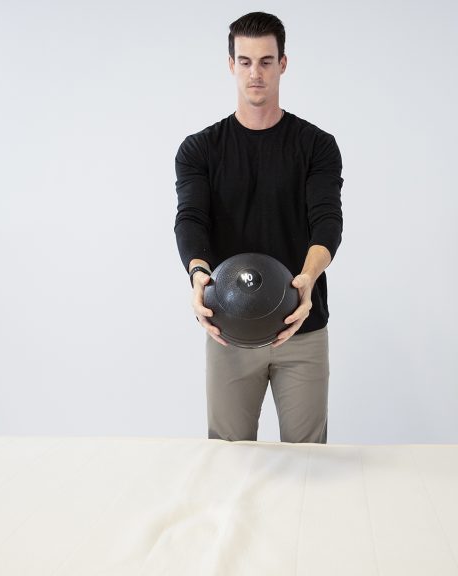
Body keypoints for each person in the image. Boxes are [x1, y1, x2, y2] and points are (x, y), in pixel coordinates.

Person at [174, 12, 344, 444]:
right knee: (228, 463)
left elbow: (327, 220)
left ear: (283, 63)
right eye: (246, 61)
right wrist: (197, 274)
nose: (256, 73)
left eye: (266, 61)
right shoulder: (199, 150)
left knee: (308, 466)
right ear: (231, 64)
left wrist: (307, 279)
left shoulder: (316, 146)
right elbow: (191, 218)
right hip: (228, 328)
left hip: (301, 326)